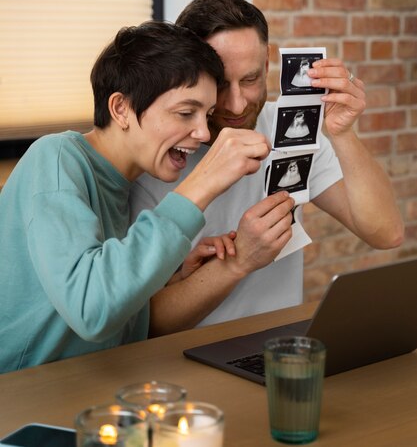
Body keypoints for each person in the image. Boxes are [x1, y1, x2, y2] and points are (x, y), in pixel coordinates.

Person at [0, 21, 280, 373]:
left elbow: (113, 323)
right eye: (185, 112)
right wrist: (202, 184)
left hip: (84, 387)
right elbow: (91, 311)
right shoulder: (55, 159)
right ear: (121, 109)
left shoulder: (123, 185)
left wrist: (175, 281)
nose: (203, 132)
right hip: (19, 397)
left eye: (207, 115)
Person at [130, 0, 404, 335]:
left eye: (249, 80)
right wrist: (241, 259)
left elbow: (386, 233)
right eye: (218, 83)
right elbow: (143, 325)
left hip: (277, 347)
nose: (235, 103)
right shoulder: (155, 158)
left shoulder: (288, 128)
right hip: (181, 362)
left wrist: (343, 133)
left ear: (267, 67)